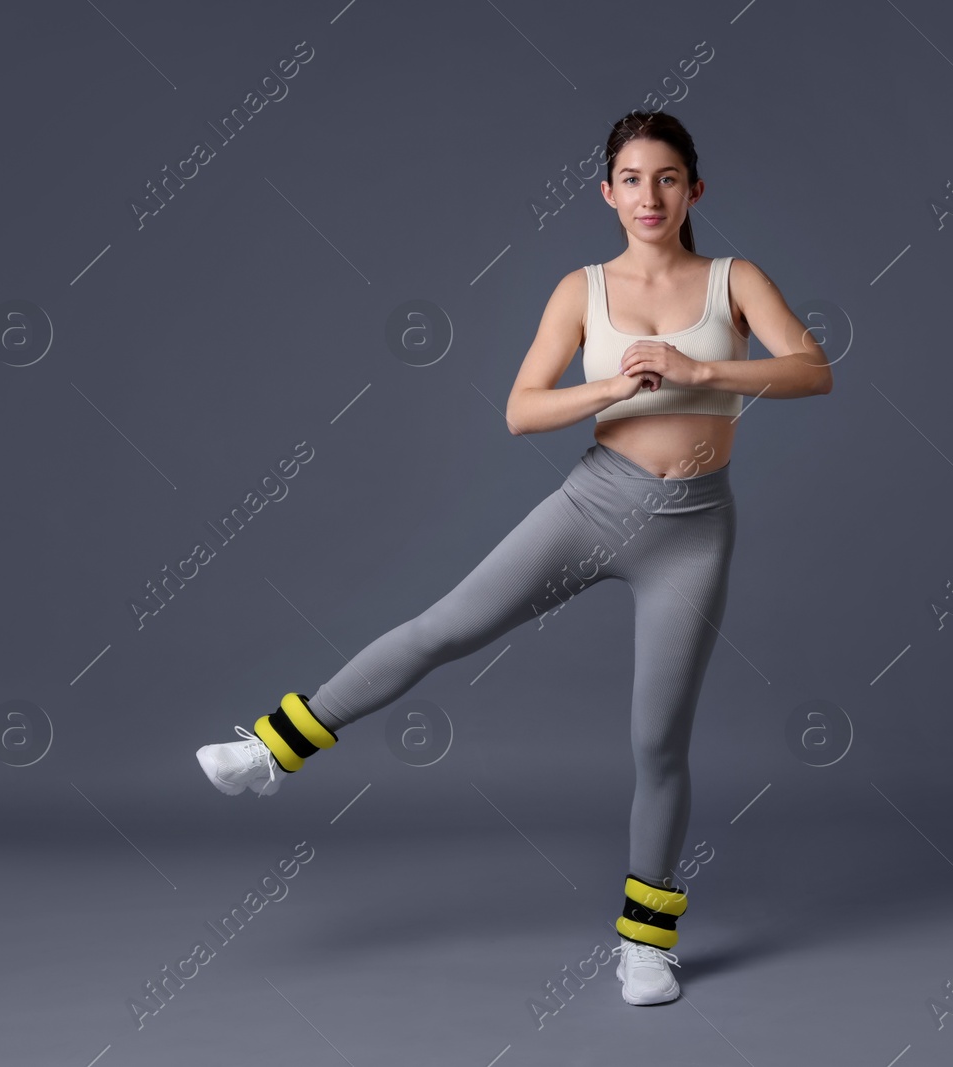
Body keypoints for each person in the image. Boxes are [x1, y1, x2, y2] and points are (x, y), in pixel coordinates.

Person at [196, 109, 832, 1006]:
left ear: (695, 188)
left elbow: (812, 368)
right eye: (632, 180)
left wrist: (704, 373)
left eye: (667, 178)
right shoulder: (583, 290)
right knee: (441, 629)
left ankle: (645, 944)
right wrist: (612, 385)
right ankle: (268, 750)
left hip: (693, 528)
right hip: (594, 502)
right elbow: (522, 409)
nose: (649, 196)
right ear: (606, 193)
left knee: (659, 739)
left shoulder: (735, 280)